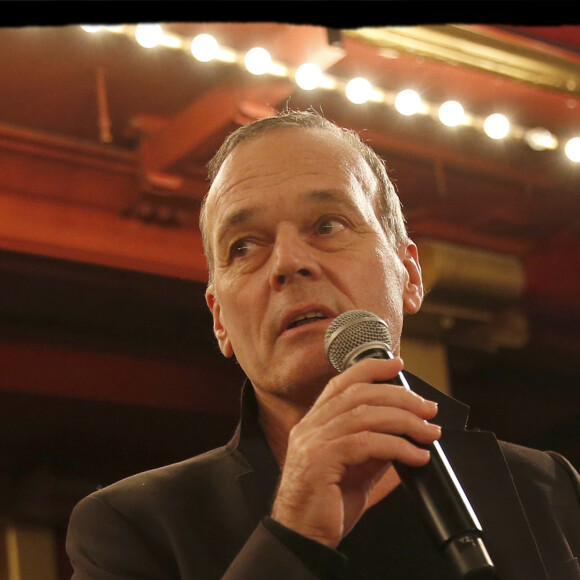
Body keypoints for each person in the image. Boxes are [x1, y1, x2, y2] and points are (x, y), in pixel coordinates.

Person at [66, 110, 580, 580]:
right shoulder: (132, 526)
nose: (289, 262)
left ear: (409, 275)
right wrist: (292, 535)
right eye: (243, 246)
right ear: (219, 320)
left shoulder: (546, 487)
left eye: (327, 225)